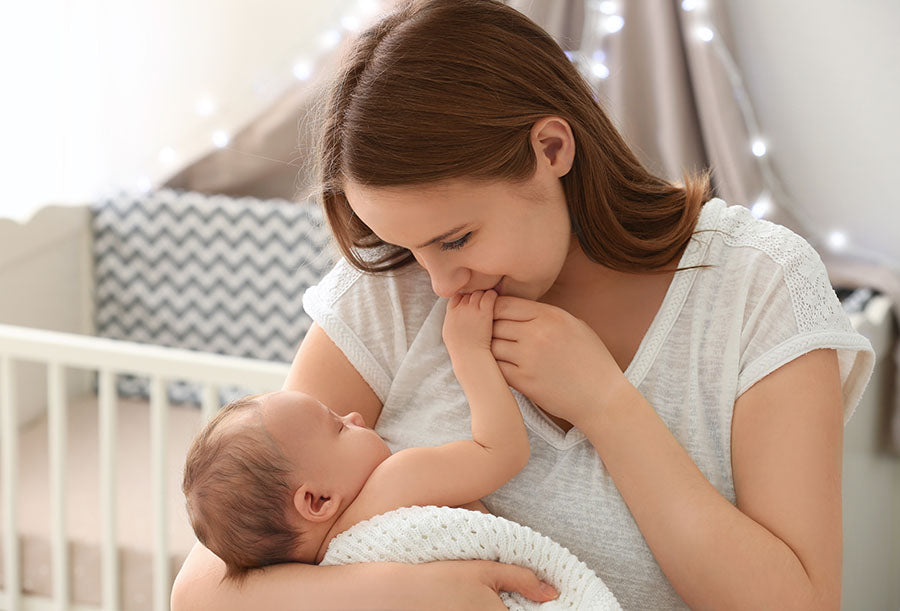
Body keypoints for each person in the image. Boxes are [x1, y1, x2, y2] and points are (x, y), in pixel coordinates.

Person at [171, 0, 875, 609]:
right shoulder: (391, 289)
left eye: (456, 238)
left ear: (551, 147)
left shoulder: (758, 286)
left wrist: (608, 405)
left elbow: (798, 602)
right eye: (408, 246)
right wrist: (410, 592)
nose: (439, 283)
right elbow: (204, 591)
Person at [181, 290, 548, 582]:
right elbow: (502, 451)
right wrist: (469, 352)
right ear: (318, 500)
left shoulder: (326, 576)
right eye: (339, 426)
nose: (356, 415)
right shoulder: (394, 483)